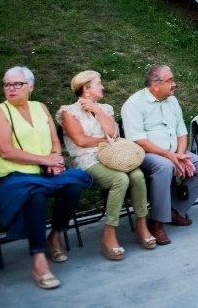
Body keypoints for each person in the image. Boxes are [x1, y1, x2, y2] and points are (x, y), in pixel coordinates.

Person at [0, 66, 91, 289]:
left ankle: (54, 236)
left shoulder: (40, 107)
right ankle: (39, 259)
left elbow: (55, 140)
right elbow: (5, 151)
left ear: (30, 87)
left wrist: (55, 159)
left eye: (17, 84)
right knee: (37, 195)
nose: (11, 89)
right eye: (7, 84)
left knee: (73, 185)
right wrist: (46, 161)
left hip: (42, 173)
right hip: (10, 176)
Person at [56, 71, 155, 260]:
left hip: (112, 156)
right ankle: (108, 235)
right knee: (120, 179)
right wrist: (106, 140)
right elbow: (81, 140)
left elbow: (114, 133)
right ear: (86, 88)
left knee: (137, 176)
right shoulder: (68, 112)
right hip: (86, 160)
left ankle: (141, 226)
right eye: (98, 83)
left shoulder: (105, 108)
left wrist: (97, 110)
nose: (102, 87)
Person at [121, 65, 198, 245]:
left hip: (173, 151)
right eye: (170, 80)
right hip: (146, 153)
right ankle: (156, 223)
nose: (174, 84)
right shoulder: (134, 104)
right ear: (156, 85)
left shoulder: (172, 101)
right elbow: (138, 140)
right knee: (164, 167)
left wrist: (180, 155)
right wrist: (168, 156)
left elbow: (182, 132)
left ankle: (173, 210)